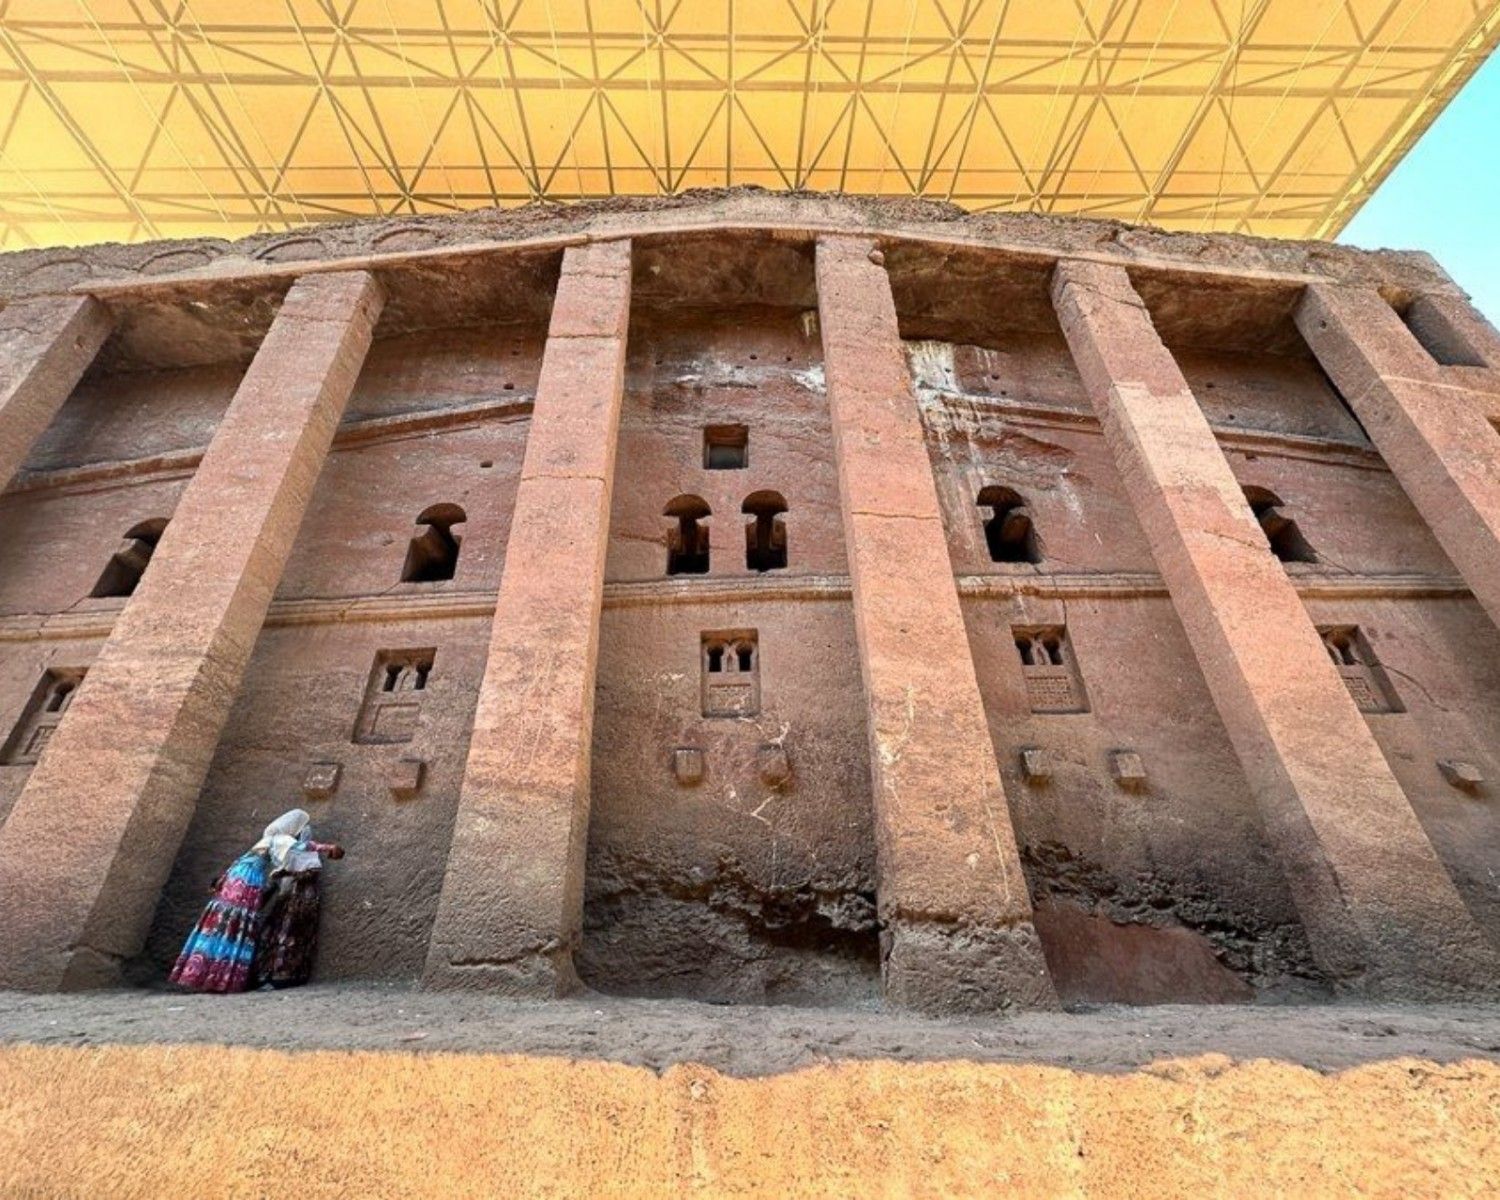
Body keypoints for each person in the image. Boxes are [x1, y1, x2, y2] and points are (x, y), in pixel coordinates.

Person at [168, 810, 304, 993]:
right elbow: (287, 861)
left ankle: (202, 974)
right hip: (247, 883)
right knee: (235, 925)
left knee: (221, 924)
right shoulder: (280, 840)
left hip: (235, 880)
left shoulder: (264, 840)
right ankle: (221, 977)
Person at [252, 808, 344, 989]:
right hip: (286, 898)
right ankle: (266, 974)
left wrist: (287, 873)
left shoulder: (305, 852)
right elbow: (275, 876)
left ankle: (283, 976)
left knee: (288, 935)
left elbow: (312, 871)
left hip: (301, 899)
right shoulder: (284, 850)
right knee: (273, 933)